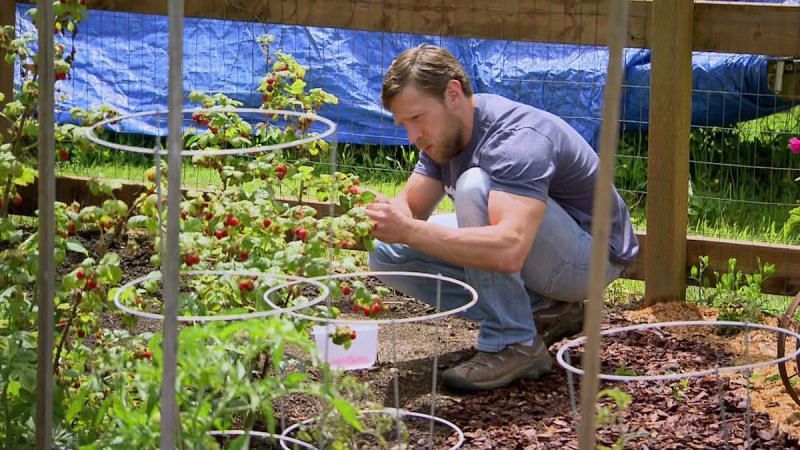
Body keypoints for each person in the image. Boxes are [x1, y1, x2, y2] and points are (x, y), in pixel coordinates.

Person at [365, 44, 639, 391]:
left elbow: (508, 247)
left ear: (453, 93)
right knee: (387, 252)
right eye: (404, 124)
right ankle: (546, 310)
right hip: (539, 247)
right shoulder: (446, 134)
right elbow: (410, 209)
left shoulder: (515, 139)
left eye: (417, 118)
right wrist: (379, 217)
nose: (413, 136)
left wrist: (407, 229)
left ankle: (515, 343)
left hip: (589, 258)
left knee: (473, 187)